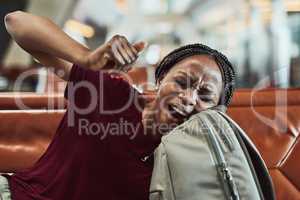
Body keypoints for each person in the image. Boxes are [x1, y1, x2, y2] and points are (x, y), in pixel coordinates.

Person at [2, 11, 235, 200]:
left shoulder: (199, 161)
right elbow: (17, 24)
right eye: (181, 82)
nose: (189, 98)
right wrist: (85, 57)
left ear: (216, 111)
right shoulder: (111, 93)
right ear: (161, 80)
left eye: (205, 95)